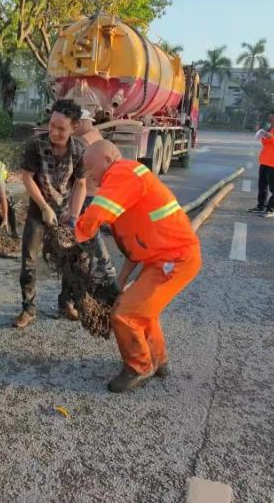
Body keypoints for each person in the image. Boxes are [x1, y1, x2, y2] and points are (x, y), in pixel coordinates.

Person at [75, 140, 201, 393]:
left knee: (125, 314)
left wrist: (74, 236)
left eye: (91, 168)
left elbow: (98, 213)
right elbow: (134, 249)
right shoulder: (126, 185)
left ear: (108, 159)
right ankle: (159, 360)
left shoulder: (123, 173)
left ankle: (139, 367)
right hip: (162, 259)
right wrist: (120, 282)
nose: (90, 176)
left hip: (174, 261)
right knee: (143, 310)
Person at [13, 99, 88, 329]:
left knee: (72, 259)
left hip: (65, 212)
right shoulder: (35, 145)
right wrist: (44, 208)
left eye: (61, 128)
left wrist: (74, 217)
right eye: (51, 125)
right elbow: (26, 177)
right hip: (39, 209)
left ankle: (66, 302)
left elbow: (81, 185)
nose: (54, 131)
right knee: (29, 259)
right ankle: (28, 308)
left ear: (74, 127)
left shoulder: (79, 150)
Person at [73, 109, 117, 285]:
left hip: (90, 193)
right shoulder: (98, 136)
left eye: (76, 124)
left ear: (84, 123)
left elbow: (79, 178)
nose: (74, 128)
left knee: (91, 230)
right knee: (92, 229)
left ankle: (105, 265)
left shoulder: (84, 141)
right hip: (98, 192)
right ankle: (99, 264)